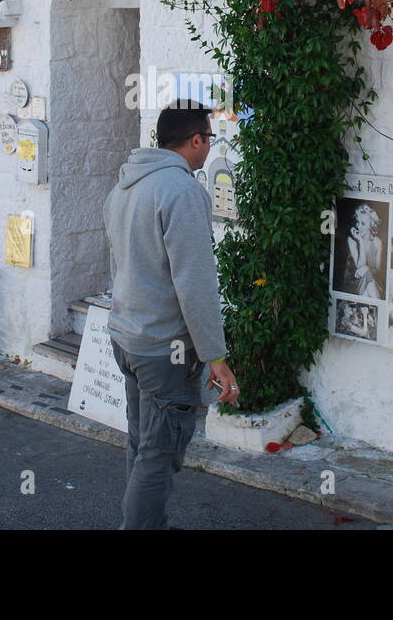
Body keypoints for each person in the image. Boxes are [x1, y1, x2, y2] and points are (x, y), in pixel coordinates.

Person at [104, 102, 240, 530]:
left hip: (127, 337)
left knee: (142, 444)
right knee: (159, 455)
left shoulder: (127, 184)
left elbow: (118, 263)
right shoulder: (180, 191)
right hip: (166, 350)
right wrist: (216, 356)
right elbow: (195, 284)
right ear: (196, 139)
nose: (208, 147)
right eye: (209, 138)